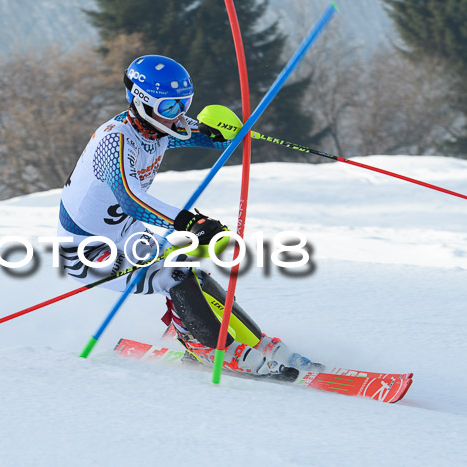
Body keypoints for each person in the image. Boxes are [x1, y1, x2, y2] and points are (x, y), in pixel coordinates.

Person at [57, 54, 323, 377]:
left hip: (125, 233)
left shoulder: (155, 127)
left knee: (191, 272)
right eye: (170, 108)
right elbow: (130, 199)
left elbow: (199, 135)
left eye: (184, 104)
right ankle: (210, 348)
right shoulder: (114, 141)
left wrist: (222, 134)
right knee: (175, 273)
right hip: (88, 251)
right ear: (141, 103)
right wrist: (189, 223)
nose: (179, 116)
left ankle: (257, 341)